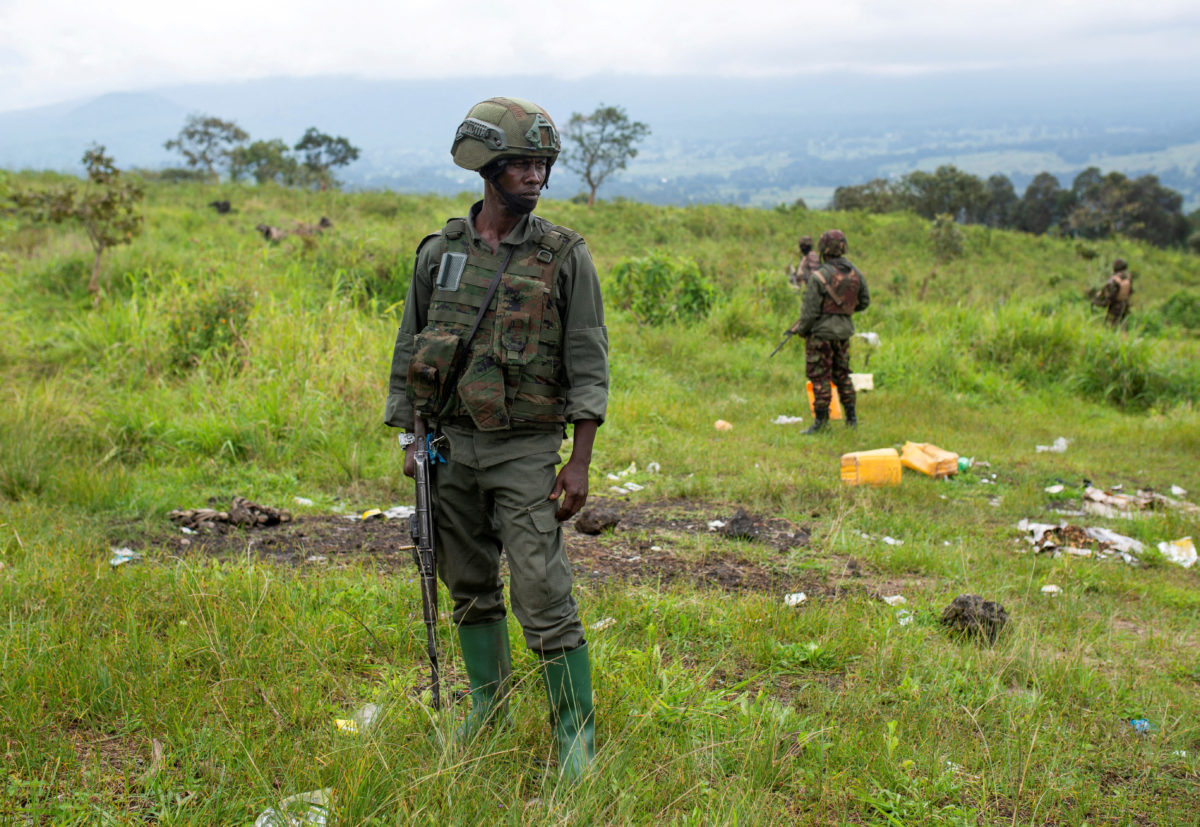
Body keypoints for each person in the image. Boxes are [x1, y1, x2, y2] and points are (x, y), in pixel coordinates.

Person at [384, 97, 608, 781]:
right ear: (487, 167)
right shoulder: (440, 253)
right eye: (521, 163)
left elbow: (587, 360)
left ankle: (575, 732)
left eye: (543, 164)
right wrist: (411, 437)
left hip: (525, 447)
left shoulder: (564, 255)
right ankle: (488, 706)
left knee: (541, 587)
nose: (535, 175)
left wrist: (579, 460)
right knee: (469, 581)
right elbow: (410, 349)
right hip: (449, 444)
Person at [790, 229, 870, 433]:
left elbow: (809, 313)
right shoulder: (856, 273)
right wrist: (844, 313)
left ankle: (821, 422)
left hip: (821, 336)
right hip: (844, 334)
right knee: (843, 375)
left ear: (823, 249)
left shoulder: (819, 277)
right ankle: (851, 419)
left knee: (820, 377)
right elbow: (864, 302)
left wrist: (802, 330)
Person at [1093, 258, 1133, 328]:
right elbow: (1130, 292)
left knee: (1109, 326)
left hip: (1115, 306)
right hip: (1124, 305)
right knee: (1122, 326)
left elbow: (1111, 294)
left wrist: (1101, 302)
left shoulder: (1115, 279)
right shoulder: (1128, 278)